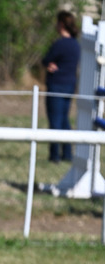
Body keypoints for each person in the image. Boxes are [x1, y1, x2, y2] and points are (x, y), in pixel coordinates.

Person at [41, 11, 80, 163]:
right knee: (64, 119)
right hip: (70, 85)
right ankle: (68, 154)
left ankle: (54, 155)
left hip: (56, 85)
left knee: (55, 121)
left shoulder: (59, 44)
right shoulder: (76, 45)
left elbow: (46, 60)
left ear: (61, 25)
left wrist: (49, 65)